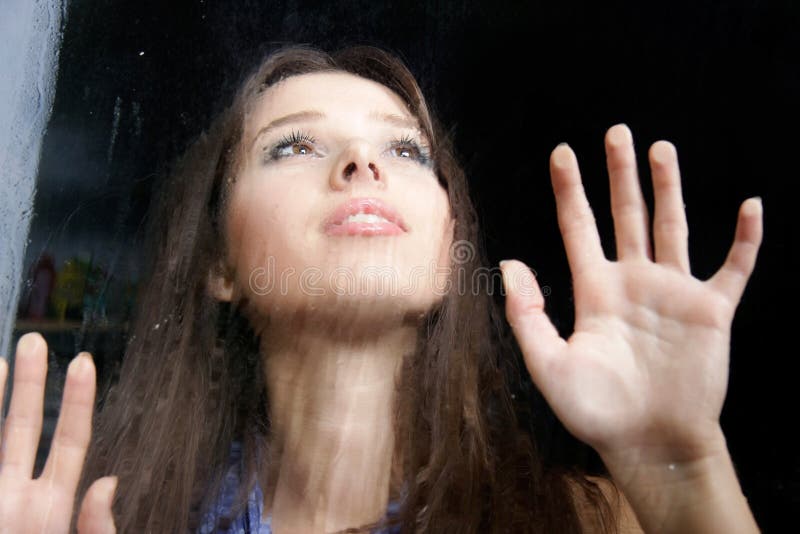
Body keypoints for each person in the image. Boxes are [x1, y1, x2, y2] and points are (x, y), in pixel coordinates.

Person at [0, 45, 763, 533]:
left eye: (405, 149)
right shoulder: (106, 521)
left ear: (446, 255)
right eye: (294, 145)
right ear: (221, 266)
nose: (364, 163)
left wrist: (685, 470)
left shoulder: (595, 520)